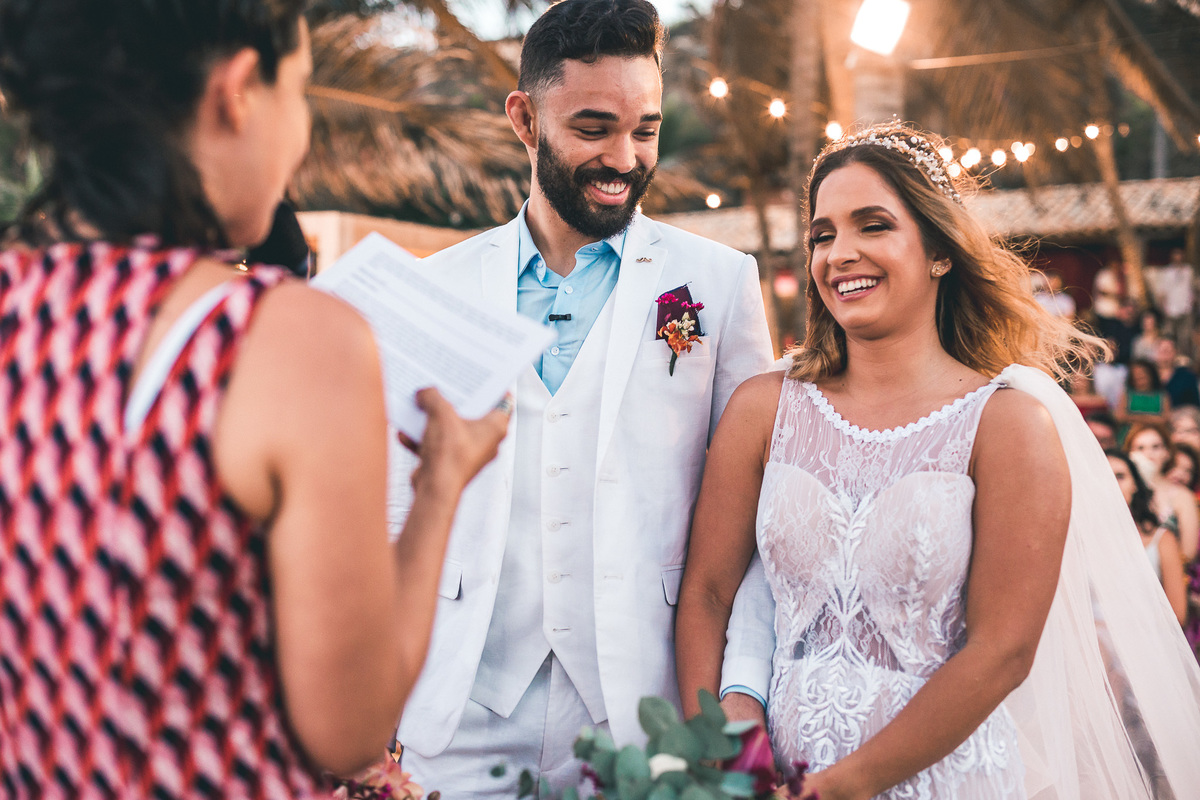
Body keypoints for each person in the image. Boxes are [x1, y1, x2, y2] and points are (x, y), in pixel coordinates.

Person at [0, 1, 508, 796]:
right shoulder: (281, 340)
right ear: (238, 91)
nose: (298, 133)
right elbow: (348, 729)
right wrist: (440, 485)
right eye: (298, 93)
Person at [675, 123, 1200, 800]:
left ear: (940, 252)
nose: (841, 254)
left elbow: (1001, 650)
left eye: (873, 226)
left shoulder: (1007, 425)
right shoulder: (763, 408)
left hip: (942, 778)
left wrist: (841, 787)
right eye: (824, 234)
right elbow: (708, 594)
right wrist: (719, 754)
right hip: (771, 771)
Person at [385, 0, 773, 795]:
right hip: (459, 708)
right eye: (593, 128)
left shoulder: (720, 284)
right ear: (525, 119)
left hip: (644, 707)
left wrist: (738, 695)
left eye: (647, 129)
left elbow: (758, 518)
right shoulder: (438, 289)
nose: (625, 158)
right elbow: (392, 503)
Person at [1109, 451, 1189, 624]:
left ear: (1135, 484)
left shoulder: (1161, 539)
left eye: (1120, 476)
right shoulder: (1077, 541)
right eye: (1104, 475)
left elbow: (1178, 614)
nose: (1112, 483)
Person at [1125, 421, 1200, 562]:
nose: (1148, 453)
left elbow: (1188, 553)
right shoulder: (1121, 492)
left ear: (1167, 452)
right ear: (1130, 454)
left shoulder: (1182, 495)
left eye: (1156, 447)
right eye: (1140, 448)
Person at [1154, 248, 1195, 358]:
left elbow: (1192, 289)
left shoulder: (1188, 271)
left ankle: (1184, 359)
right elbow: (1161, 293)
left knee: (1185, 338)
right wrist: (1163, 309)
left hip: (1186, 309)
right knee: (1169, 337)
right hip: (1170, 310)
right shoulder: (1166, 272)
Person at [1117, 358, 1170, 425]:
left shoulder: (1162, 395)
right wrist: (1150, 418)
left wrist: (1134, 417)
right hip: (1131, 431)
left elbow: (1165, 418)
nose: (1139, 376)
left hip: (1156, 430)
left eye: (1143, 374)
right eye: (1136, 375)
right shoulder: (1127, 394)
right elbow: (1120, 416)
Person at [1155, 338, 1200, 409]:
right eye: (1161, 351)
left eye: (1167, 351)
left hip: (1180, 412)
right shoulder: (1148, 374)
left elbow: (1194, 404)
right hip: (1152, 413)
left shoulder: (1186, 375)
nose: (1164, 355)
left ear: (1175, 352)